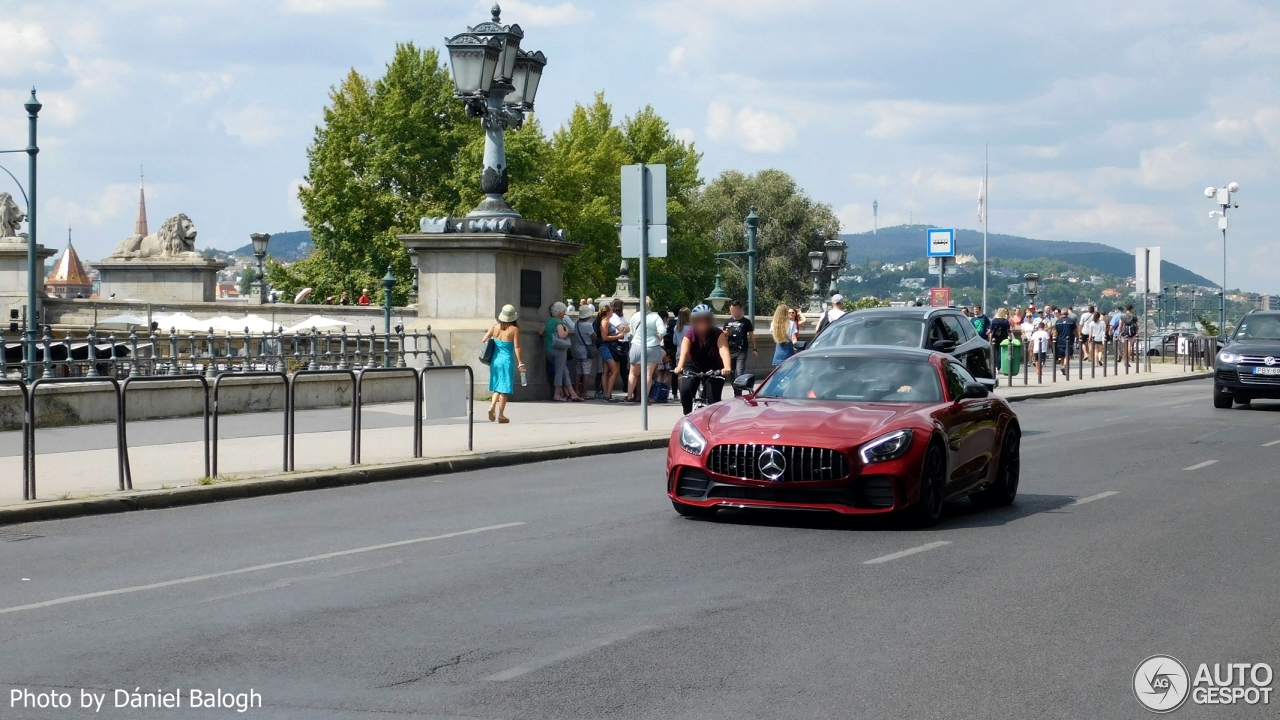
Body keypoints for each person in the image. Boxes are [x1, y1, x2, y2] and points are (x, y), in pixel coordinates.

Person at [673, 304, 732, 415]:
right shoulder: (690, 333)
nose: (703, 323)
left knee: (712, 399)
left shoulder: (718, 333)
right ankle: (688, 415)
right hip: (693, 364)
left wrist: (727, 367)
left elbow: (724, 351)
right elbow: (684, 352)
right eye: (700, 320)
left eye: (706, 319)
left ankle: (712, 421)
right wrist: (680, 366)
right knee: (686, 390)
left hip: (714, 367)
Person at [481, 305, 524, 424]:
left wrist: (493, 338)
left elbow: (483, 340)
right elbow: (517, 346)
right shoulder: (514, 329)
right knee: (504, 389)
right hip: (506, 361)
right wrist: (520, 362)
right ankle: (501, 415)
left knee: (497, 386)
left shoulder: (494, 327)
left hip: (495, 360)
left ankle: (492, 406)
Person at [625, 296, 664, 403]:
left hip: (637, 345)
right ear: (651, 305)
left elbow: (632, 331)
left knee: (633, 373)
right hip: (652, 346)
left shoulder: (635, 316)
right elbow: (663, 331)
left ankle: (629, 397)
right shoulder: (656, 317)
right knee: (648, 375)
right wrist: (656, 335)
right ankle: (644, 397)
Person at [544, 302, 579, 402]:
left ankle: (572, 393)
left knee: (564, 371)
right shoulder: (559, 322)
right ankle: (557, 394)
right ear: (559, 312)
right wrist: (567, 330)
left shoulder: (548, 321)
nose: (564, 313)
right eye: (563, 311)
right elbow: (562, 335)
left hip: (549, 349)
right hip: (559, 350)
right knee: (559, 373)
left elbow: (541, 331)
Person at [723, 300, 758, 395]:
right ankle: (736, 390)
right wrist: (726, 333)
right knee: (730, 372)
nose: (733, 311)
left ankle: (738, 393)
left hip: (741, 351)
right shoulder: (728, 322)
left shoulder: (746, 322)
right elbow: (722, 337)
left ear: (740, 309)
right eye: (731, 310)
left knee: (739, 372)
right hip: (730, 351)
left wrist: (755, 349)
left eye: (735, 309)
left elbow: (752, 335)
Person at [596, 305, 624, 401]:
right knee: (615, 371)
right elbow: (604, 337)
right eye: (611, 310)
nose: (613, 312)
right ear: (608, 312)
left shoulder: (605, 321)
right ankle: (608, 394)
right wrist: (618, 336)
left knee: (606, 371)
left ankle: (606, 393)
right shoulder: (605, 322)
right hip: (606, 347)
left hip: (606, 347)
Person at [570, 304, 597, 401]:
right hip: (586, 352)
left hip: (577, 351)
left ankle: (576, 390)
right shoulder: (588, 325)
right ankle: (584, 392)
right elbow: (594, 336)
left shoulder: (576, 323)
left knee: (578, 372)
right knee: (586, 373)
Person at [1054, 308, 1077, 377]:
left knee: (1062, 356)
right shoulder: (1071, 321)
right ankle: (1064, 367)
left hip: (1060, 341)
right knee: (1068, 356)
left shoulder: (1058, 321)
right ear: (1067, 313)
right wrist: (1078, 337)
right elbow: (1075, 331)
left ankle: (1065, 368)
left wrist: (1054, 338)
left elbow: (1055, 332)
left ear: (1061, 313)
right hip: (1069, 341)